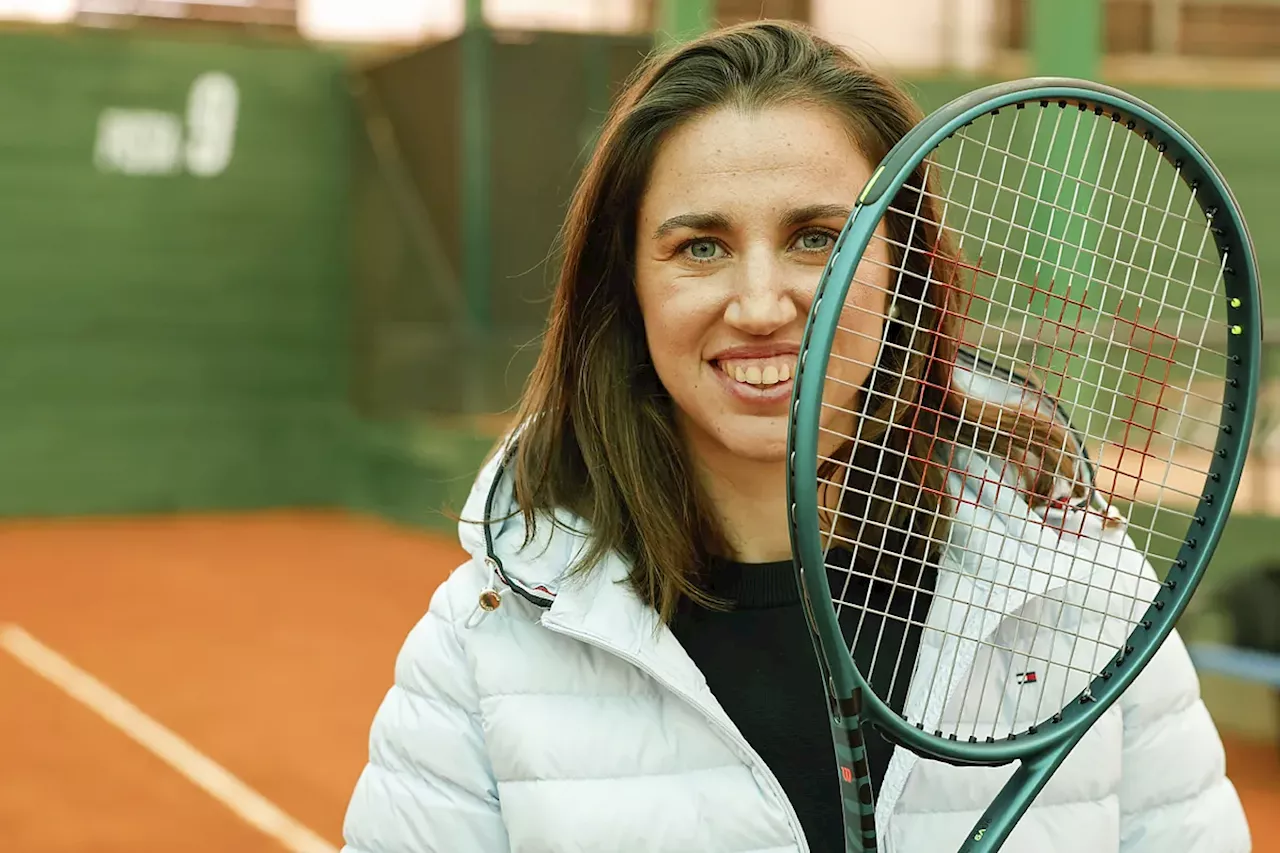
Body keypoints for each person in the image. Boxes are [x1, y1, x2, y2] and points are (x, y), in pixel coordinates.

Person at [340, 20, 1251, 853]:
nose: (763, 304)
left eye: (817, 237)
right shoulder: (482, 645)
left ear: (907, 268)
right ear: (629, 288)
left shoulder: (1084, 599)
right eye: (701, 246)